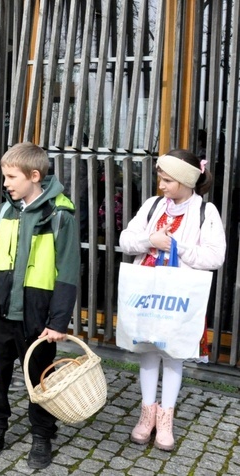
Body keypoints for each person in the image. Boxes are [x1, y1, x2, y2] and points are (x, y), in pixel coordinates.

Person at [0, 142, 80, 470]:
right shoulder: (2, 212)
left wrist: (58, 321)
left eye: (11, 176)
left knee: (39, 381)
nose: (5, 183)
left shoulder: (60, 215)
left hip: (38, 320)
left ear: (34, 175)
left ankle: (42, 436)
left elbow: (68, 271)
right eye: (3, 176)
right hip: (0, 316)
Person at [120, 149, 225, 452]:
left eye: (167, 180)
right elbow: (127, 239)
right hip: (149, 292)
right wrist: (151, 240)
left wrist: (179, 247)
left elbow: (215, 255)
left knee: (174, 352)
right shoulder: (153, 206)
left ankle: (166, 419)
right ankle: (146, 415)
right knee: (148, 350)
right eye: (160, 178)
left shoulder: (206, 212)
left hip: (179, 295)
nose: (161, 185)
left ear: (184, 179)